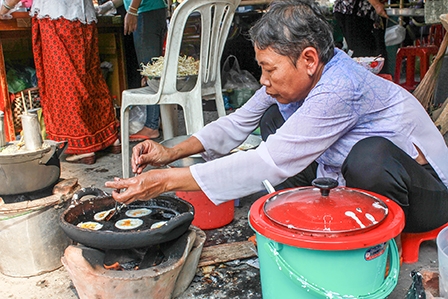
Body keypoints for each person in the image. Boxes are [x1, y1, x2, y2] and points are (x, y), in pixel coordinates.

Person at [105, 0, 448, 234]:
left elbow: (270, 161)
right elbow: (239, 121)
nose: (263, 79)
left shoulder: (340, 86)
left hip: (427, 192)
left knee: (368, 157)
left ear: (309, 59)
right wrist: (170, 154)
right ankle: (312, 208)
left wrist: (163, 181)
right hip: (374, 182)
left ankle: (381, 236)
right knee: (271, 117)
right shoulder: (303, 75)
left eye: (269, 69)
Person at [1, 0, 120, 165]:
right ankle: (110, 137)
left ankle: (83, 147)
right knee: (90, 78)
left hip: (57, 17)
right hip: (85, 17)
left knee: (65, 82)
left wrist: (4, 8)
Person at [97, 0, 167, 141]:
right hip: (155, 10)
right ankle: (158, 120)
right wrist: (109, 6)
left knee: (150, 71)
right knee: (155, 68)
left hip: (145, 13)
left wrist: (133, 10)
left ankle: (151, 126)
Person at [333, 0, 389, 72]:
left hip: (369, 11)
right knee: (363, 53)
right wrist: (376, 4)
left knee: (379, 54)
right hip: (354, 10)